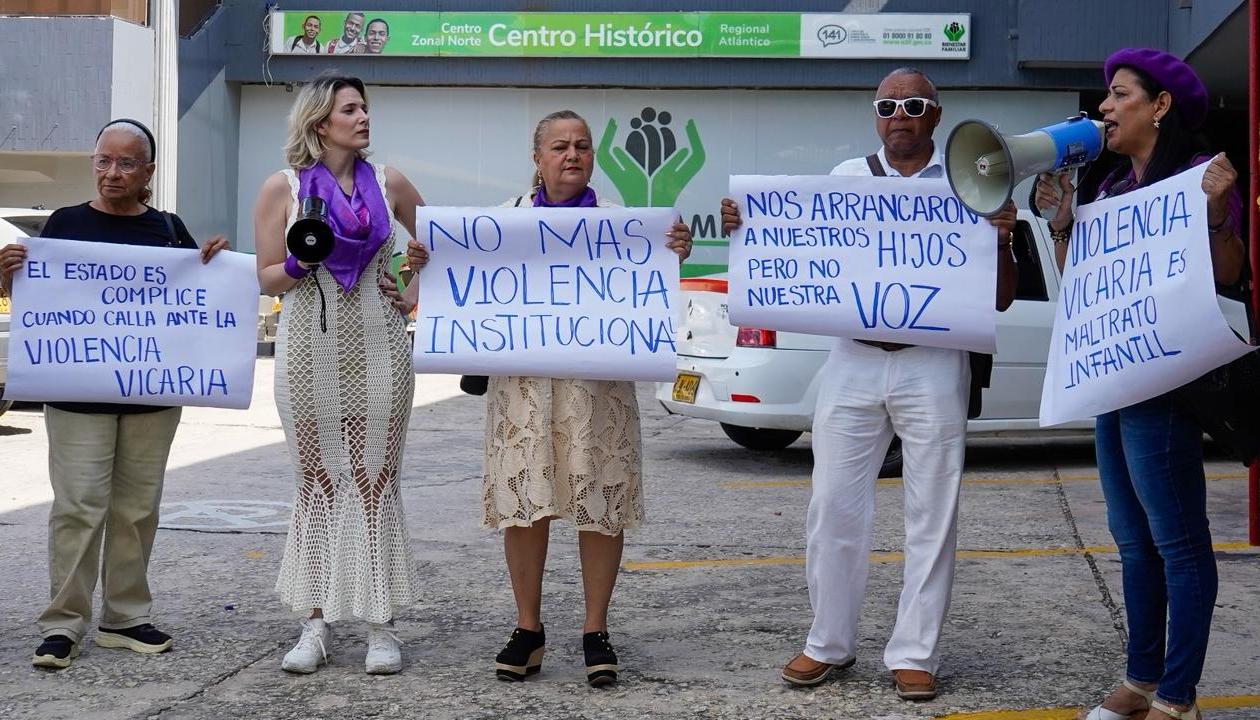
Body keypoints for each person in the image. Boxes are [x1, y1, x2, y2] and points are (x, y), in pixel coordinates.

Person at [721, 67, 1017, 701]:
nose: (900, 115)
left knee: (932, 510)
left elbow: (1001, 298)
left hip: (933, 360)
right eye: (887, 106)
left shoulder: (971, 183)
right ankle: (828, 642)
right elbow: (795, 258)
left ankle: (915, 652)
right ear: (874, 116)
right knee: (832, 504)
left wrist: (1002, 240)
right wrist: (750, 231)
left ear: (937, 116)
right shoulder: (842, 184)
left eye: (914, 104)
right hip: (852, 360)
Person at [408, 109, 691, 687]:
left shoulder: (626, 226)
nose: (573, 154)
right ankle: (527, 628)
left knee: (601, 504)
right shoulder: (498, 225)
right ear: (536, 158)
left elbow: (649, 287)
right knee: (524, 502)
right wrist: (428, 264)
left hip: (598, 394)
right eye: (559, 146)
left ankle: (595, 630)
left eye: (583, 146)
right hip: (523, 393)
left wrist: (674, 250)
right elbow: (441, 287)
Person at [1034, 49, 1244, 720]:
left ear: (1159, 106)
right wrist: (1064, 222)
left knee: (1179, 544)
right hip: (1114, 388)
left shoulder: (1194, 180)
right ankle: (1142, 678)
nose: (1104, 107)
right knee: (1132, 541)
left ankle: (1177, 697)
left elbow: (1231, 270)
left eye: (1119, 94)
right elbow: (1083, 284)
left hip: (1166, 389)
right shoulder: (1108, 191)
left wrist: (1215, 213)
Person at [0, 119, 229, 670]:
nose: (112, 172)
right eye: (104, 160)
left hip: (150, 398)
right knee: (78, 507)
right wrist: (6, 276)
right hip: (76, 396)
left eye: (126, 163)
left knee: (136, 509)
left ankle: (124, 617)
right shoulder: (64, 224)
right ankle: (64, 624)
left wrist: (217, 266)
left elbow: (195, 302)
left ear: (148, 172)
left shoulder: (169, 229)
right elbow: (37, 301)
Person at [253, 73, 429, 676]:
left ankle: (381, 625)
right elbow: (267, 277)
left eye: (365, 108)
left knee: (374, 478)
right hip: (308, 340)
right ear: (319, 121)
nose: (363, 117)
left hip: (380, 340)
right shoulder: (283, 187)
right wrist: (300, 261)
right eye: (350, 109)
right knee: (319, 483)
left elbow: (439, 245)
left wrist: (409, 288)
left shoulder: (391, 182)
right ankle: (315, 624)